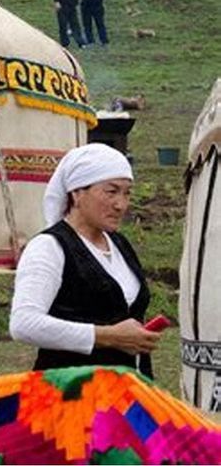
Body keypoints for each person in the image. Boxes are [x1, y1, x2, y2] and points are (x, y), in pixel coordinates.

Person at [9, 143, 160, 377]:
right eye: (111, 192)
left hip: (127, 394)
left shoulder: (120, 245)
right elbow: (23, 324)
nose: (121, 204)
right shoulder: (49, 247)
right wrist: (107, 337)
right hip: (71, 394)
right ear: (77, 193)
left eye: (127, 192)